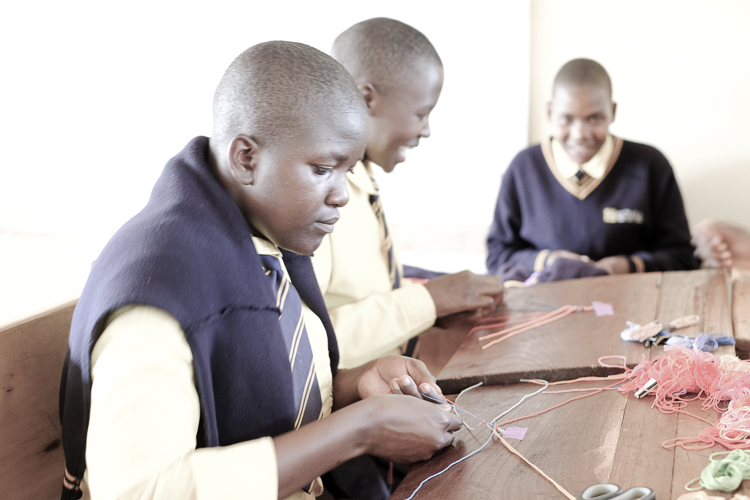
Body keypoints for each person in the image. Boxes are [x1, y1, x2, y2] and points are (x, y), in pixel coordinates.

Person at [58, 41, 462, 500]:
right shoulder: (157, 290)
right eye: (324, 169)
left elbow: (278, 387)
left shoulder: (265, 239)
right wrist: (361, 429)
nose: (342, 195)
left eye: (347, 171)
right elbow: (141, 490)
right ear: (246, 158)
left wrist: (360, 382)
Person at [311, 17, 504, 371]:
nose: (426, 130)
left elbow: (374, 299)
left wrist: (439, 310)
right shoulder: (317, 200)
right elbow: (313, 344)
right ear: (367, 99)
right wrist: (429, 300)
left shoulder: (365, 179)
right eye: (421, 113)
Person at [486, 58, 699, 284]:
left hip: (630, 301)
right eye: (566, 119)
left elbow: (682, 257)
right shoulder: (524, 168)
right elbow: (497, 257)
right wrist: (549, 260)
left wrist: (628, 265)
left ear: (613, 112)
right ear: (549, 113)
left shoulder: (650, 166)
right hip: (544, 305)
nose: (580, 134)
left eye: (595, 118)